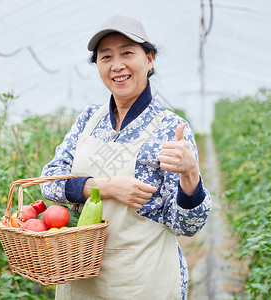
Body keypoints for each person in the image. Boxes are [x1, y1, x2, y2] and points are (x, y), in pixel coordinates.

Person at [40, 14, 211, 300]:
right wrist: (106, 188)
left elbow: (188, 226)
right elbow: (49, 182)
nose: (117, 65)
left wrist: (190, 174)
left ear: (149, 59)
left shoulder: (170, 129)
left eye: (127, 53)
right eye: (105, 57)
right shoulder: (88, 120)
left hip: (143, 280)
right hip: (81, 277)